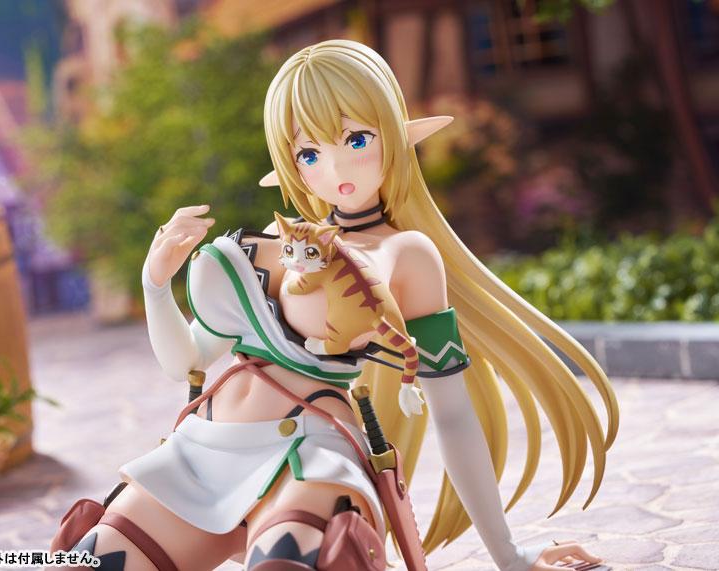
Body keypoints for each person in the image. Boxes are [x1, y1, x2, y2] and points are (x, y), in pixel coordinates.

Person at [54, 39, 617, 571]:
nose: (337, 169)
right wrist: (155, 284)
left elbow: (452, 413)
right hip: (203, 454)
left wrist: (509, 556)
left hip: (307, 460)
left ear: (390, 135)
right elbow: (187, 363)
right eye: (309, 152)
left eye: (356, 140)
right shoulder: (268, 247)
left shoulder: (406, 252)